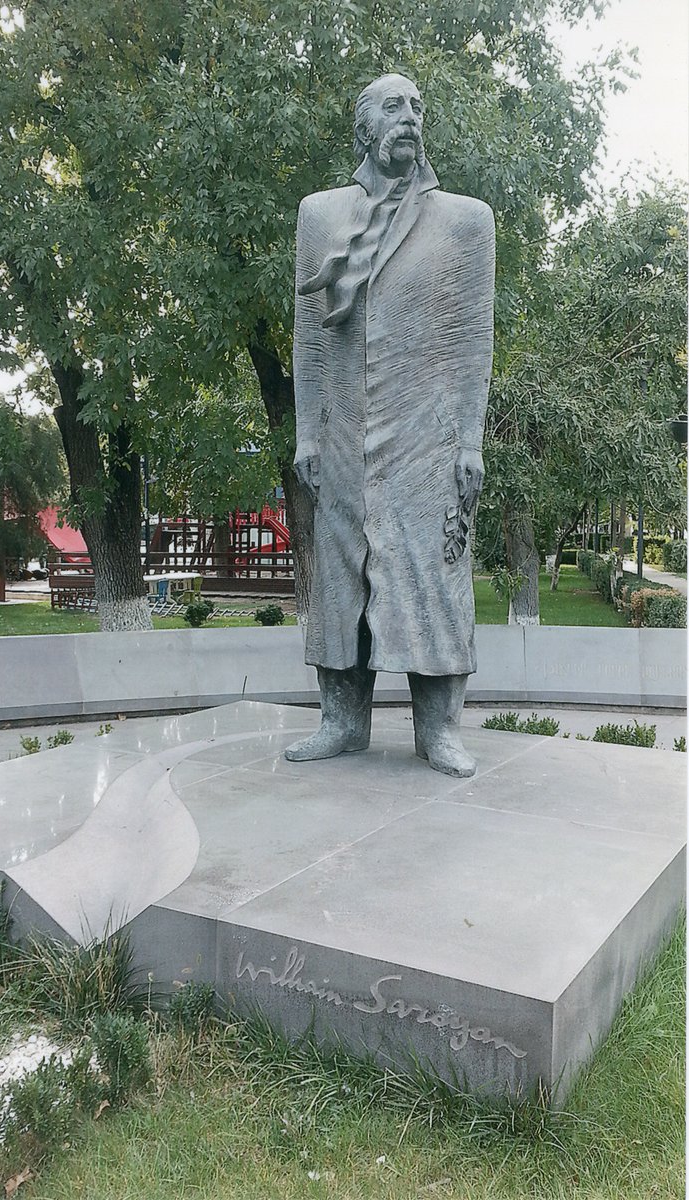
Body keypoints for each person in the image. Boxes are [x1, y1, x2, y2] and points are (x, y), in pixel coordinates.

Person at [286, 73, 495, 778]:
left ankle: (439, 731)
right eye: (392, 106)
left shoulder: (466, 221)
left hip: (425, 439)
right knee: (342, 576)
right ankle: (341, 722)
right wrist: (307, 434)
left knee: (433, 577)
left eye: (417, 107)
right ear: (363, 128)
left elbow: (472, 338)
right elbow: (309, 337)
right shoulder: (320, 216)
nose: (409, 117)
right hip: (343, 432)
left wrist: (469, 439)